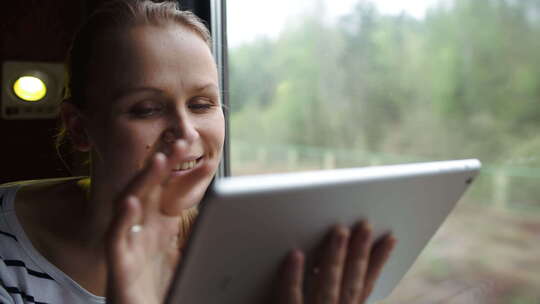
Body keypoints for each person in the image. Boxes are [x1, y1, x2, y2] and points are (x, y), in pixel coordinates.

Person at [0, 1, 396, 303]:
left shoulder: (256, 261)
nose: (186, 133)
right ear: (80, 128)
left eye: (202, 104)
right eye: (147, 109)